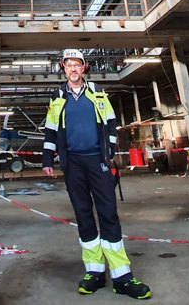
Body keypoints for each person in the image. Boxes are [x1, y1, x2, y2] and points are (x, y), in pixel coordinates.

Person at [43, 49, 151, 299]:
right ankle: (94, 273)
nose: (72, 69)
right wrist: (48, 158)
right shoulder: (58, 96)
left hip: (98, 162)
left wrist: (108, 152)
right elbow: (50, 130)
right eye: (68, 65)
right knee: (83, 215)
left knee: (108, 213)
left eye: (76, 65)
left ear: (84, 68)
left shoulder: (98, 93)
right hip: (73, 164)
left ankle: (122, 277)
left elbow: (111, 123)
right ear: (64, 68)